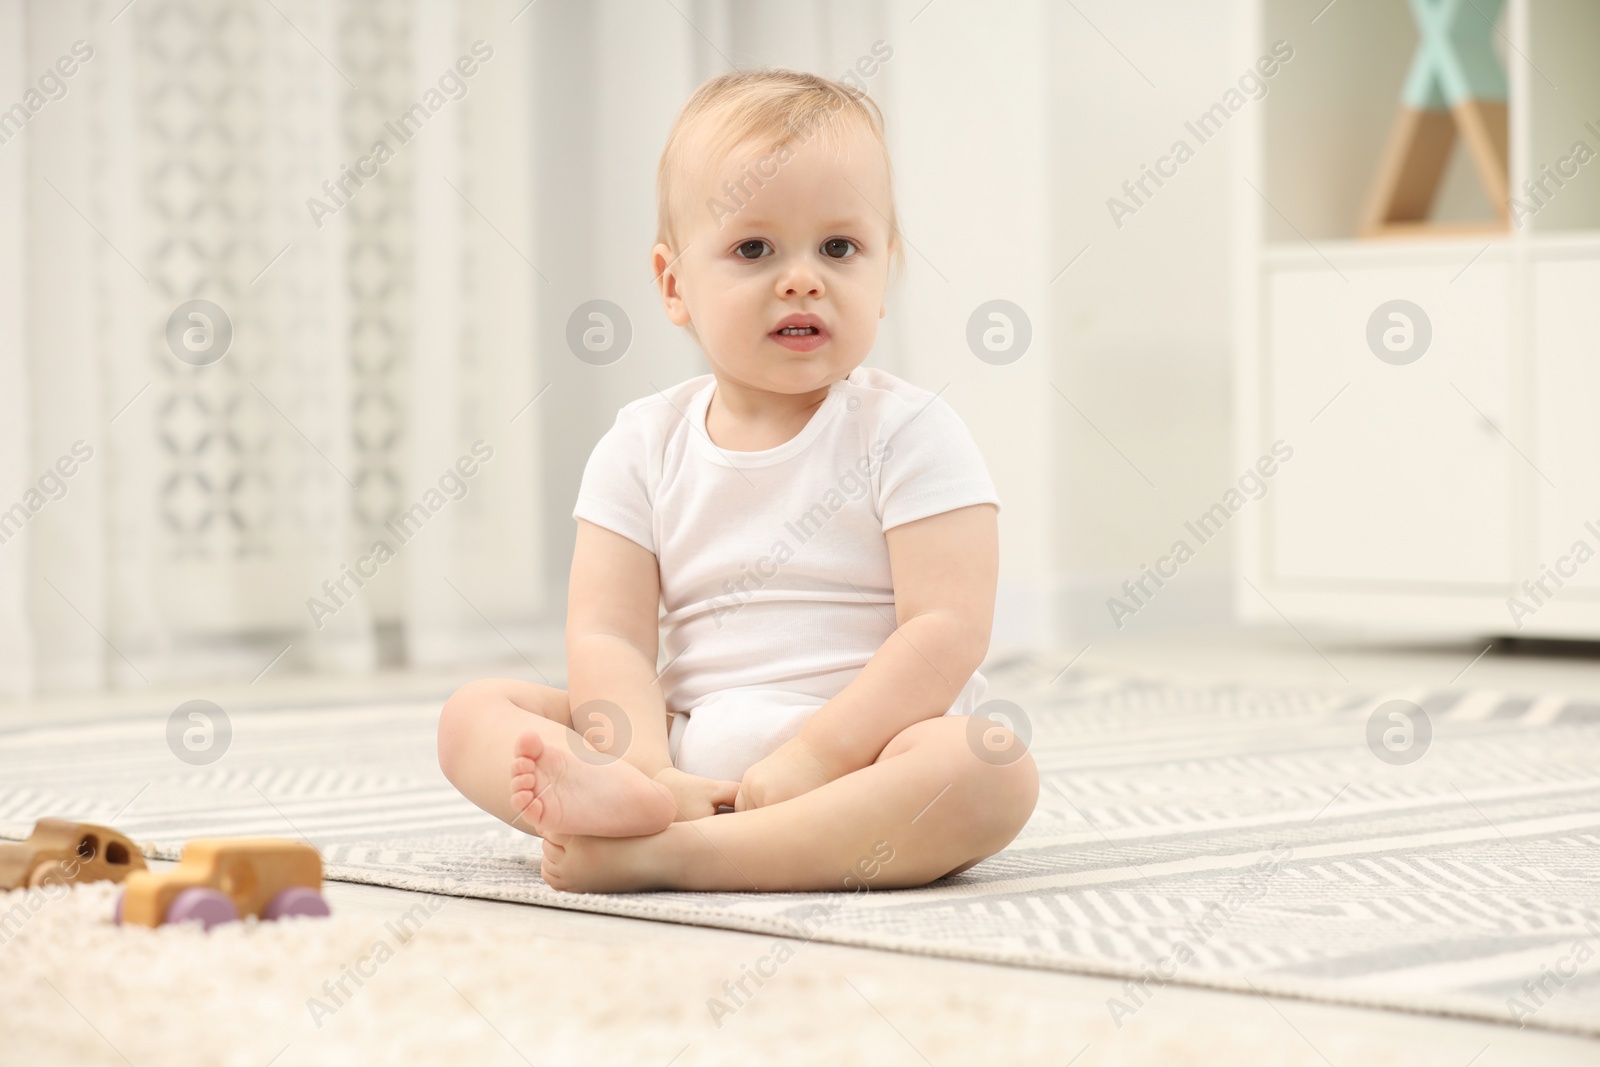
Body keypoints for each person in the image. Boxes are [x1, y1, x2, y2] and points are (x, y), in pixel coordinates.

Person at [436, 69, 1037, 893]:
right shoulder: (642, 444)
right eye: (754, 249)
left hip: (861, 760)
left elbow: (946, 629)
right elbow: (610, 637)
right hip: (683, 746)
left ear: (885, 271)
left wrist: (816, 755)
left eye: (840, 248)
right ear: (675, 285)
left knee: (988, 765)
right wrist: (644, 769)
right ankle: (635, 813)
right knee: (474, 713)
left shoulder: (910, 432)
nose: (802, 278)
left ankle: (677, 856)